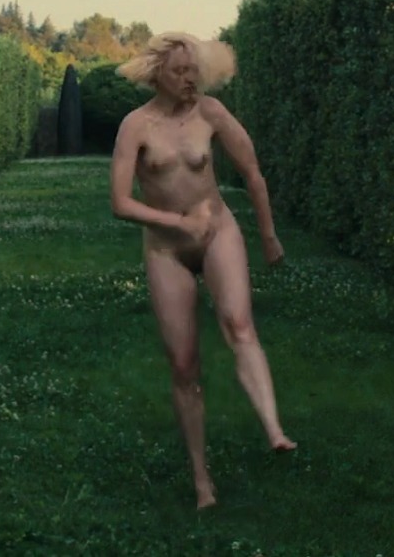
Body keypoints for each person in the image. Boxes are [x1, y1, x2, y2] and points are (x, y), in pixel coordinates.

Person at [110, 32, 296, 511]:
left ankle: (274, 429)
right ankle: (201, 481)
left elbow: (252, 171)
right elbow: (120, 203)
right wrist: (178, 224)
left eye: (194, 70)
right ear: (158, 75)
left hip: (218, 233)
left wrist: (268, 235)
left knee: (239, 323)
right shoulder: (135, 126)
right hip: (166, 249)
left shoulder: (210, 113)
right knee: (184, 365)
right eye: (179, 72)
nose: (190, 79)